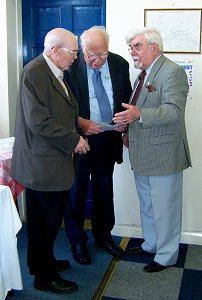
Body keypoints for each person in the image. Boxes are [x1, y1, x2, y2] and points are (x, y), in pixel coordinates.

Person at [11, 28, 90, 294]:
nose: (76, 58)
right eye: (73, 52)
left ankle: (43, 262)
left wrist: (77, 129)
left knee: (49, 219)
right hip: (42, 164)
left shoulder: (55, 71)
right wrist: (74, 140)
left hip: (53, 161)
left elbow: (61, 112)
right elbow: (39, 122)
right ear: (55, 50)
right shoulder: (35, 72)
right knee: (43, 222)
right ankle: (43, 277)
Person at [113, 27, 191, 273]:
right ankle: (151, 243)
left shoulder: (172, 72)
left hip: (163, 154)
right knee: (147, 204)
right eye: (131, 48)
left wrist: (139, 114)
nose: (132, 52)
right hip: (143, 152)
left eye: (137, 46)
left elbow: (174, 112)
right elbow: (138, 110)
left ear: (154, 47)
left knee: (165, 207)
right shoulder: (143, 74)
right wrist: (126, 125)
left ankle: (167, 255)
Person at [64, 26, 132, 264]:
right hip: (79, 142)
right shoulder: (70, 68)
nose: (97, 60)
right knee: (77, 193)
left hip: (107, 139)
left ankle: (104, 236)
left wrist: (125, 121)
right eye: (92, 55)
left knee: (104, 191)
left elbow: (126, 98)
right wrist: (81, 123)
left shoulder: (119, 65)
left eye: (102, 54)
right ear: (82, 51)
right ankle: (77, 241)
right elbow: (60, 108)